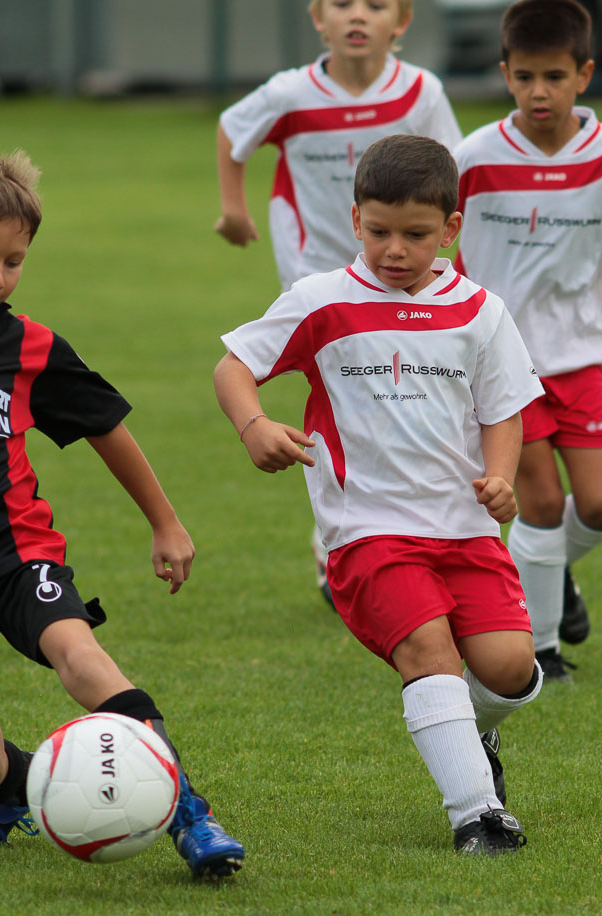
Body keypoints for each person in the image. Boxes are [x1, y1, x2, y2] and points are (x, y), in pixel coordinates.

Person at [214, 134, 545, 855]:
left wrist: (500, 476)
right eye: (378, 231)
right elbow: (233, 366)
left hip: (464, 527)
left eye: (415, 235)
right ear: (355, 219)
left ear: (450, 229)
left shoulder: (480, 311)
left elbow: (503, 409)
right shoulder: (322, 301)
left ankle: (471, 731)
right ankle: (478, 815)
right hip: (368, 528)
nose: (395, 250)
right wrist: (253, 425)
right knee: (429, 651)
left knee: (510, 669)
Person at [0, 151, 243, 878]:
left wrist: (165, 522)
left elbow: (105, 427)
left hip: (17, 555)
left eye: (13, 262)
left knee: (81, 659)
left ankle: (189, 813)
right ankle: (23, 796)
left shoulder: (29, 347)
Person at [453, 0, 602, 681]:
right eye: (525, 76)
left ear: (585, 75)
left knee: (601, 506)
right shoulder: (473, 157)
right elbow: (437, 247)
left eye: (555, 76)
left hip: (581, 358)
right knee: (538, 504)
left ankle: (549, 571)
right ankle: (540, 651)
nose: (539, 91)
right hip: (501, 363)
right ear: (505, 73)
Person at [215, 0, 463, 605]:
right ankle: (340, 539)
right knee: (348, 399)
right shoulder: (290, 93)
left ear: (401, 21)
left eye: (375, 5)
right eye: (342, 4)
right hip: (318, 273)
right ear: (316, 17)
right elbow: (232, 130)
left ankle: (391, 532)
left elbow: (452, 174)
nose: (358, 16)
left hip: (401, 270)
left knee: (401, 397)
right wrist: (234, 209)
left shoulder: (421, 92)